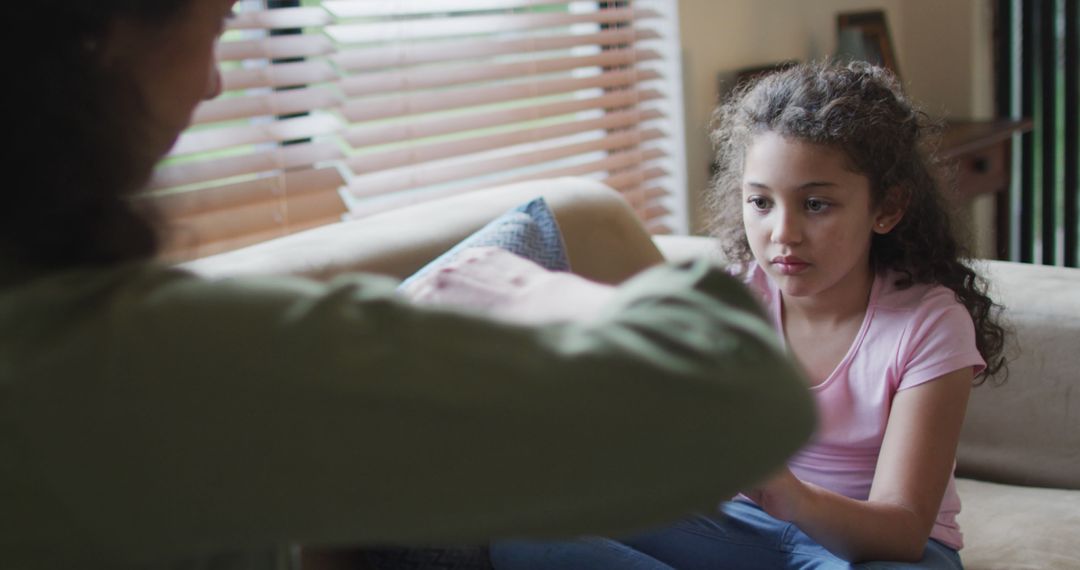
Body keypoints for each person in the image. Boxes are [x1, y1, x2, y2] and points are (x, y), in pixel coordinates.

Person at [0, 1, 817, 568]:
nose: (217, 81)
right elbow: (740, 394)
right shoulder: (133, 361)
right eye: (216, 24)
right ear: (98, 42)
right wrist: (543, 294)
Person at [489, 61, 1007, 569]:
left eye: (816, 205)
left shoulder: (929, 324)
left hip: (878, 550)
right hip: (748, 530)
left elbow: (903, 530)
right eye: (761, 203)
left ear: (887, 208)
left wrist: (785, 492)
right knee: (527, 539)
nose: (783, 233)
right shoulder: (732, 301)